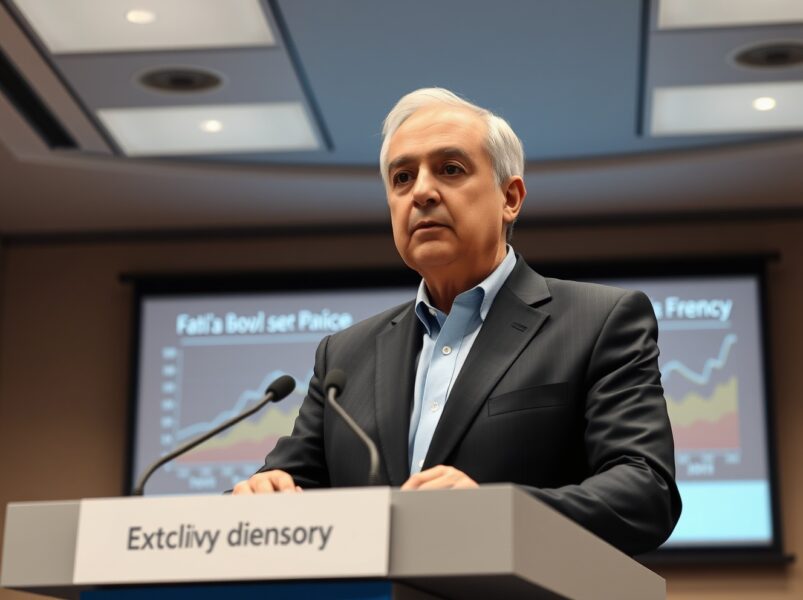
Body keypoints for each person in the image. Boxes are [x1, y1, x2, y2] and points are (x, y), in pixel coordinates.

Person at [233, 88, 681, 555]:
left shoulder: (599, 321)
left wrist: (495, 512)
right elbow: (285, 485)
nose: (421, 192)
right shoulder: (344, 355)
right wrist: (263, 493)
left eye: (450, 169)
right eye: (402, 178)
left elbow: (644, 492)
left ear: (510, 198)